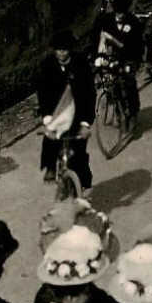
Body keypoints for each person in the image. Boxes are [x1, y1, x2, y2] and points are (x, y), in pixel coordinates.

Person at [38, 31, 96, 191]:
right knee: (50, 141)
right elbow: (43, 93)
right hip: (57, 112)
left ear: (70, 49)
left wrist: (85, 123)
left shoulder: (81, 64)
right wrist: (47, 117)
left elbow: (89, 94)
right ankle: (50, 168)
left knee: (79, 153)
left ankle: (83, 183)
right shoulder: (47, 65)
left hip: (77, 113)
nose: (61, 53)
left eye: (65, 49)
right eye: (58, 49)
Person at [94, 0, 144, 130]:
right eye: (118, 12)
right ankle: (118, 109)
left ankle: (133, 112)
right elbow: (100, 38)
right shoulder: (107, 20)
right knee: (111, 83)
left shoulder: (133, 22)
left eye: (123, 12)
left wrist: (134, 62)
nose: (120, 15)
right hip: (113, 56)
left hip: (130, 57)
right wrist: (99, 56)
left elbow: (137, 46)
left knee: (128, 83)